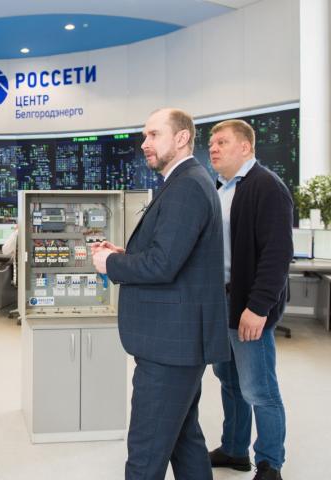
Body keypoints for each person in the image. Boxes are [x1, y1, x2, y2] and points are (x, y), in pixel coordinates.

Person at [91, 108, 229, 480]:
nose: (144, 144)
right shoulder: (185, 181)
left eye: (153, 135)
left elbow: (163, 265)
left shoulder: (186, 186)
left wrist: (110, 264)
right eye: (144, 136)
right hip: (178, 342)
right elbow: (171, 255)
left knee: (145, 454)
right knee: (184, 439)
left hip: (170, 345)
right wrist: (125, 254)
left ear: (182, 138)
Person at [207, 120, 292, 480]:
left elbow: (277, 254)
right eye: (211, 143)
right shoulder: (220, 188)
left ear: (245, 147)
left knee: (260, 388)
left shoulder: (266, 186)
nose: (213, 148)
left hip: (247, 305)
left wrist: (258, 308)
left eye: (222, 142)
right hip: (221, 303)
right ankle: (235, 449)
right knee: (229, 381)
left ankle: (270, 463)